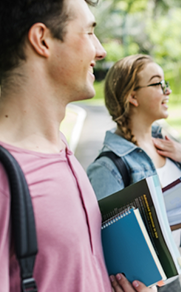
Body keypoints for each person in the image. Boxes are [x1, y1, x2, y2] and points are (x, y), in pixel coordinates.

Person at [0, 0, 150, 291]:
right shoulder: (4, 177)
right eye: (89, 32)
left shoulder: (60, 148)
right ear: (42, 40)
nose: (101, 50)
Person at [87, 54, 181, 292]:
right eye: (158, 83)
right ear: (132, 96)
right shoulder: (107, 167)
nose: (167, 91)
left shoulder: (167, 144)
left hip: (172, 278)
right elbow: (105, 245)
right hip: (143, 286)